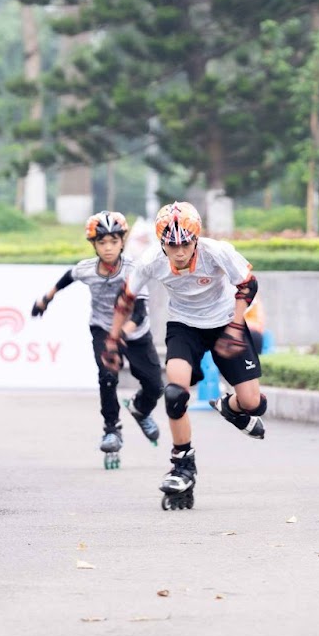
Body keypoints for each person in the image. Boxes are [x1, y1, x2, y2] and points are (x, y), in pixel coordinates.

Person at [103, 201, 265, 510]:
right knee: (175, 394)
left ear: (196, 239)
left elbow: (247, 284)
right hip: (184, 326)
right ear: (162, 242)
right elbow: (126, 298)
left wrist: (236, 325)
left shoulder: (216, 252)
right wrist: (112, 340)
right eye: (171, 244)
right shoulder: (151, 260)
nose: (179, 252)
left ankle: (230, 408)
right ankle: (182, 464)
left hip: (225, 322)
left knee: (254, 403)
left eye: (185, 244)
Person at [31, 211, 163, 469]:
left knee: (154, 385)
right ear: (94, 245)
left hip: (135, 332)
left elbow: (139, 311)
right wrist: (45, 298)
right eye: (102, 243)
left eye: (113, 242)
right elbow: (68, 277)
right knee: (107, 375)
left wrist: (122, 335)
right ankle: (111, 429)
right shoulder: (88, 269)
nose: (108, 248)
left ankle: (140, 408)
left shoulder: (134, 270)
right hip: (102, 327)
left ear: (123, 242)